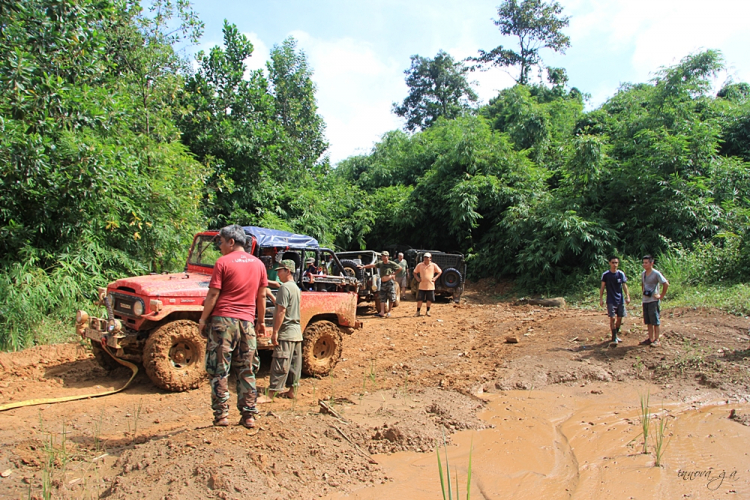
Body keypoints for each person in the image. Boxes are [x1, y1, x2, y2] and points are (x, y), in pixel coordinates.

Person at [199, 225, 267, 429]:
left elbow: (212, 294)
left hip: (223, 322)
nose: (219, 246)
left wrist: (203, 319)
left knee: (220, 370)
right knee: (247, 369)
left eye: (221, 241)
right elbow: (261, 296)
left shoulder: (222, 263)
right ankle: (248, 415)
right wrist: (261, 321)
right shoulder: (259, 264)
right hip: (247, 323)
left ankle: (221, 416)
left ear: (231, 242)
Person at [258, 259, 302, 402]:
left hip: (286, 332)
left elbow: (281, 311)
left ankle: (271, 394)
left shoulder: (285, 288)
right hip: (296, 333)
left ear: (287, 271)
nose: (278, 274)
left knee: (280, 361)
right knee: (294, 364)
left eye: (280, 271)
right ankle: (292, 391)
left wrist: (275, 331)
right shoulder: (295, 288)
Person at [359, 251, 401, 318]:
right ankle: (382, 312)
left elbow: (399, 268)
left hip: (390, 282)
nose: (383, 257)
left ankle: (389, 312)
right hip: (383, 283)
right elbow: (372, 265)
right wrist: (363, 267)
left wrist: (393, 274)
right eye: (382, 256)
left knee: (391, 297)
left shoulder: (391, 263)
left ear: (387, 257)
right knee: (382, 297)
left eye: (384, 256)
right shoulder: (380, 263)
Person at [599, 256, 631, 344]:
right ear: (609, 263)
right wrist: (601, 299)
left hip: (620, 299)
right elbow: (602, 287)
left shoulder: (621, 274)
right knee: (612, 318)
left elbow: (624, 286)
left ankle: (616, 334)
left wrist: (627, 296)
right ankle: (614, 337)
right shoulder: (606, 275)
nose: (614, 264)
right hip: (610, 299)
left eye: (616, 263)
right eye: (613, 263)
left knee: (620, 318)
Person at [639, 255, 669, 348]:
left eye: (646, 263)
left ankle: (657, 339)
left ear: (652, 263)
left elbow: (666, 283)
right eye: (643, 262)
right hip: (646, 300)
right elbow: (642, 284)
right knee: (648, 321)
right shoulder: (643, 274)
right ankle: (650, 338)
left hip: (653, 300)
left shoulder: (656, 273)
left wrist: (661, 296)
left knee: (655, 320)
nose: (644, 264)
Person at [413, 253, 441, 317]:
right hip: (422, 285)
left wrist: (435, 278)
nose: (426, 259)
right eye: (425, 257)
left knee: (429, 299)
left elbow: (440, 271)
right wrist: (417, 278)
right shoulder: (420, 265)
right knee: (420, 299)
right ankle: (418, 311)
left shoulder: (433, 265)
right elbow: (415, 272)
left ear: (430, 258)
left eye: (427, 257)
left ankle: (428, 311)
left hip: (430, 286)